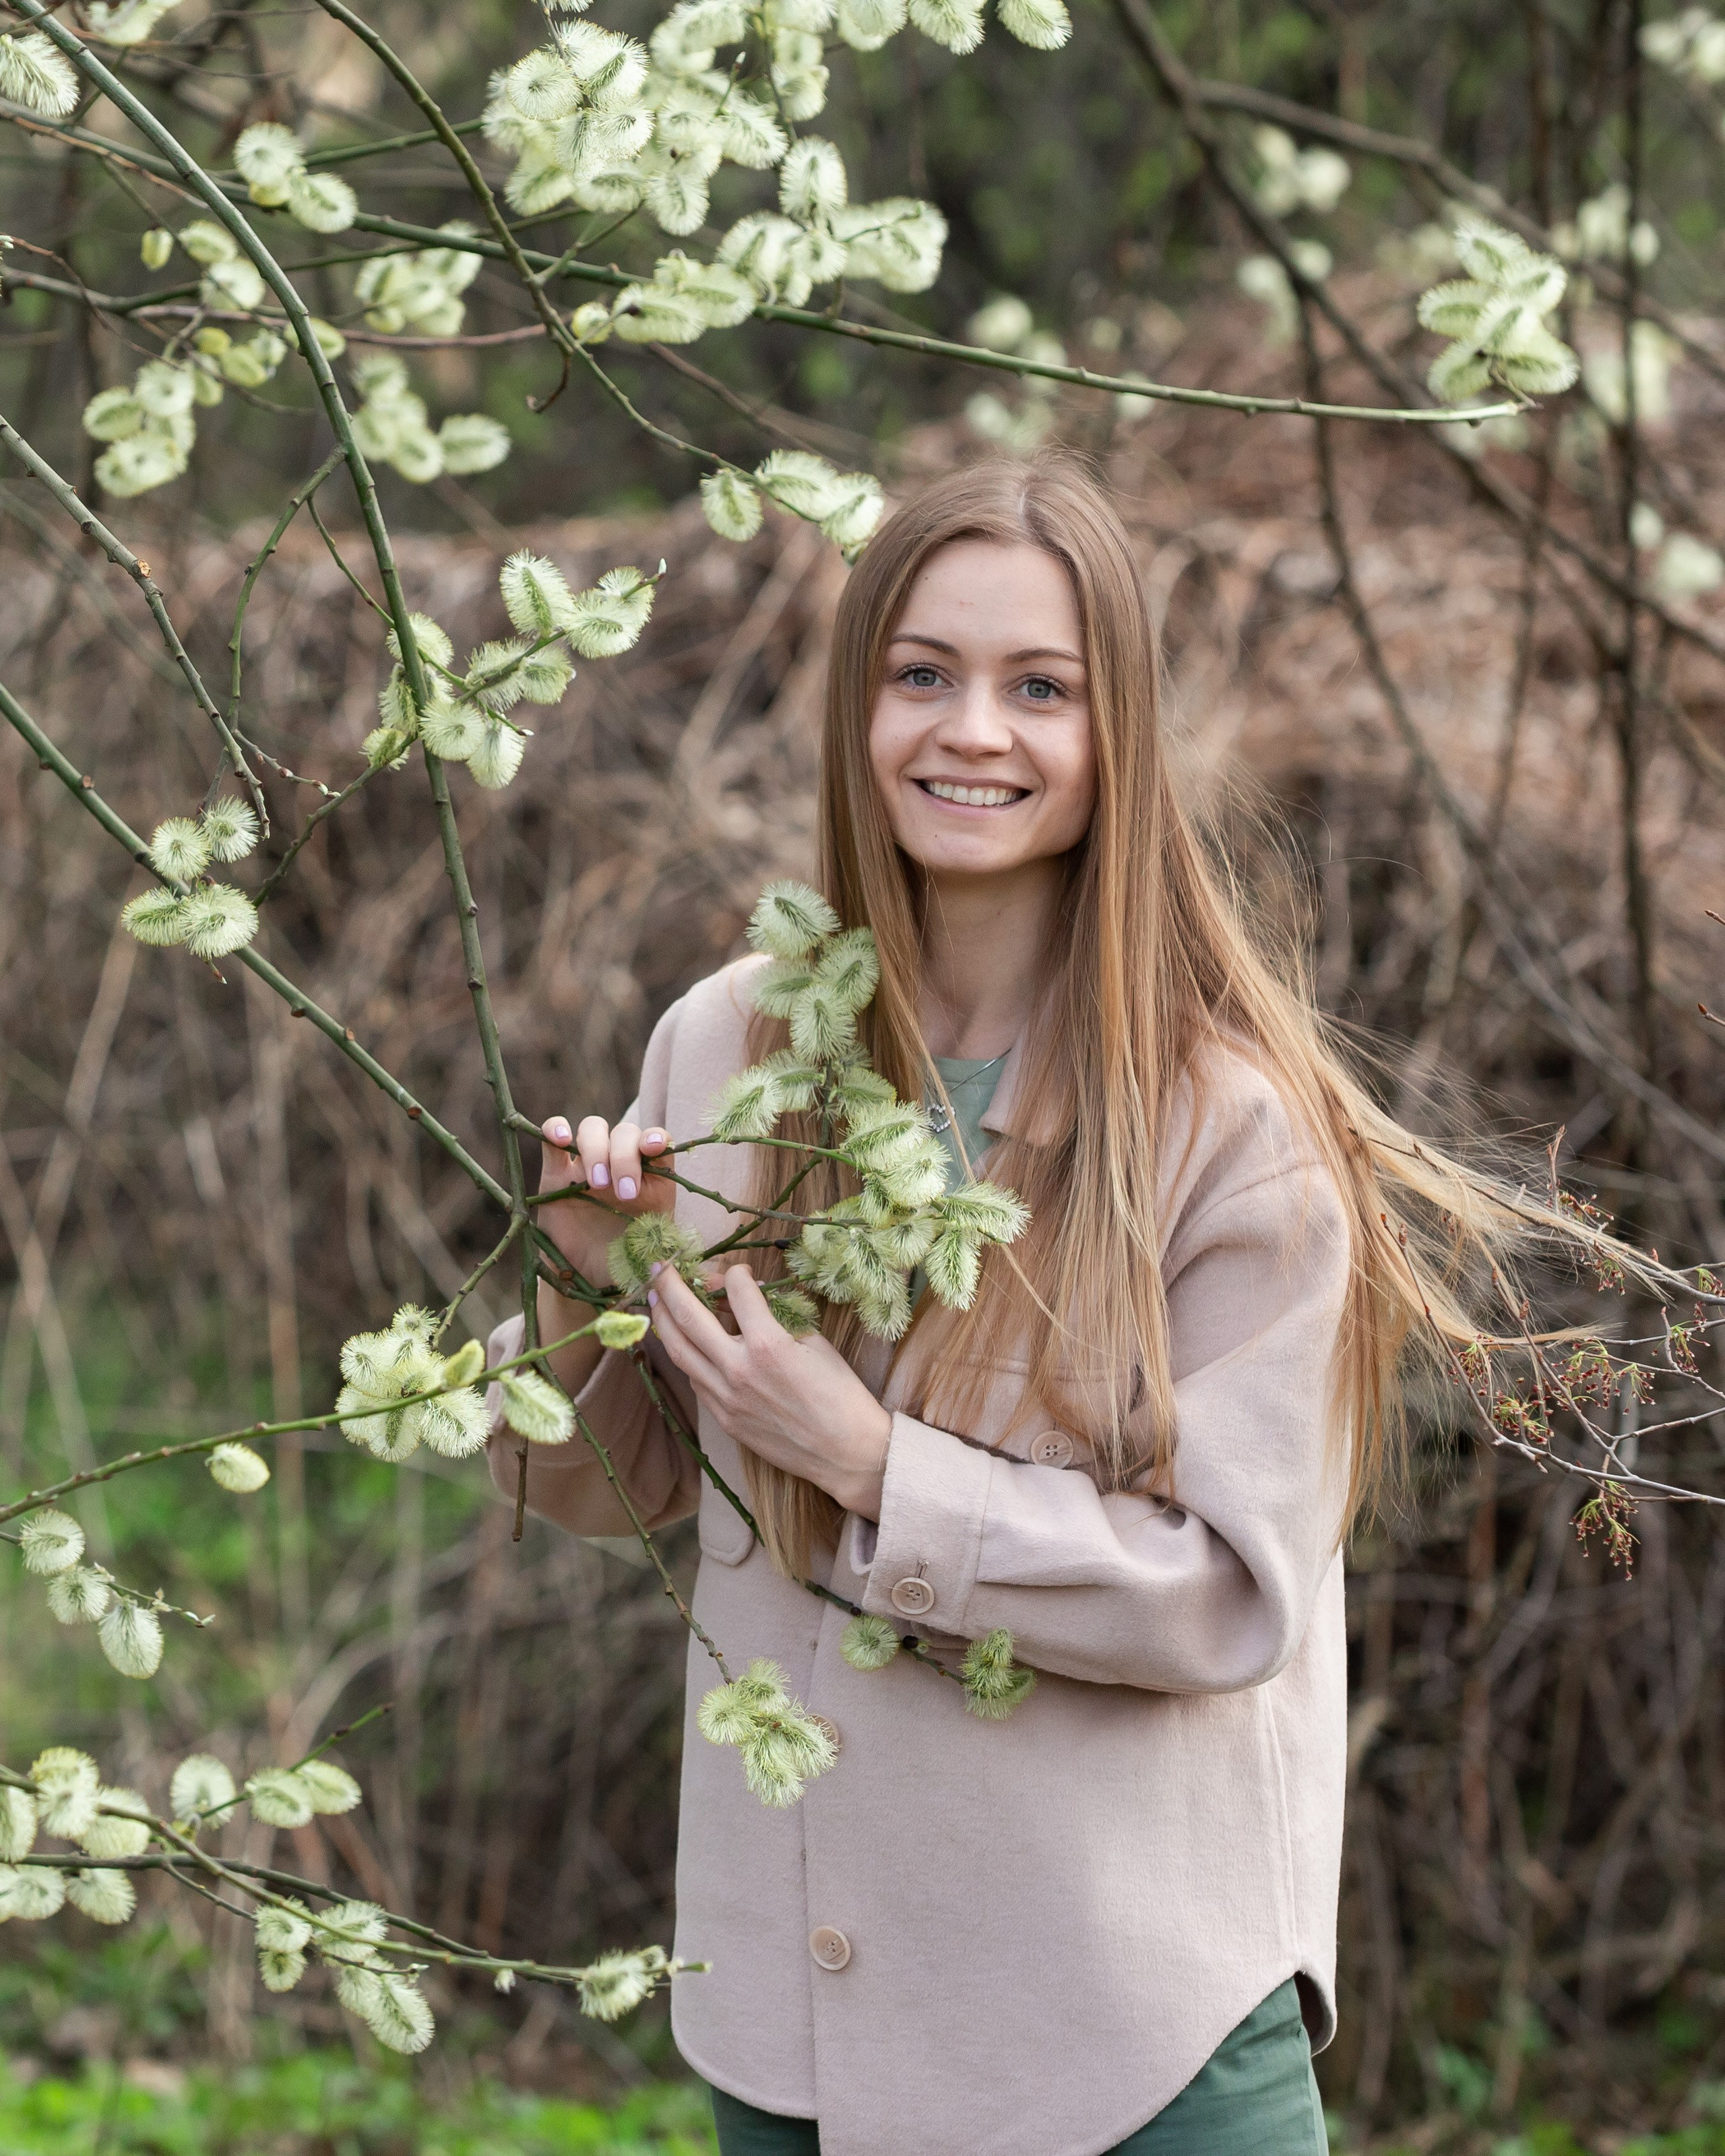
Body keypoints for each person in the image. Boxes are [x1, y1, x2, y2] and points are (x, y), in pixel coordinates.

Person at [484, 457, 1574, 2155]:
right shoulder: (724, 1043)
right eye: (919, 672)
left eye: (1036, 686)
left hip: (1120, 2049)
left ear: (1112, 729)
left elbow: (1226, 1595)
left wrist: (873, 1464)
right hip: (796, 2035)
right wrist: (584, 1275)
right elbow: (608, 1484)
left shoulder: (1229, 1131)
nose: (967, 730)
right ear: (856, 706)